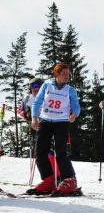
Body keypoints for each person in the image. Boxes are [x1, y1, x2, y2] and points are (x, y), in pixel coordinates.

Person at [27, 63, 80, 195]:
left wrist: (74, 114)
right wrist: (34, 118)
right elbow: (37, 102)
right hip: (45, 121)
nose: (66, 77)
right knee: (40, 152)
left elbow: (76, 106)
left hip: (61, 122)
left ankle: (69, 180)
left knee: (60, 152)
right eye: (63, 74)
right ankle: (49, 179)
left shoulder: (70, 90)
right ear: (56, 74)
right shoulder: (46, 86)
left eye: (68, 74)